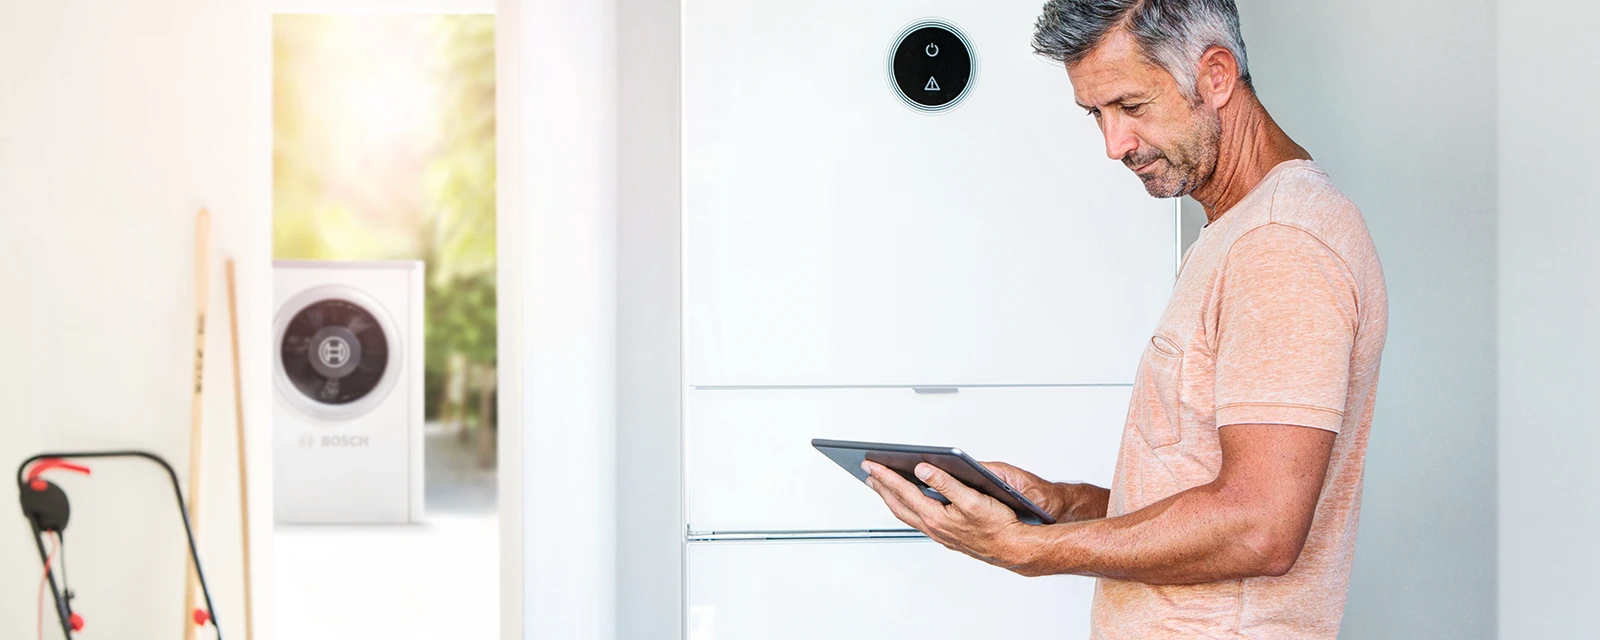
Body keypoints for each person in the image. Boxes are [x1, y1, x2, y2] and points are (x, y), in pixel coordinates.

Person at [860, 1, 1389, 637]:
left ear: (1216, 76)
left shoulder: (1280, 242)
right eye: (1097, 115)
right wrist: (1061, 506)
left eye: (1131, 107)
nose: (1115, 146)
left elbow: (1261, 527)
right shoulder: (1242, 231)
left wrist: (1028, 551)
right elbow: (1202, 504)